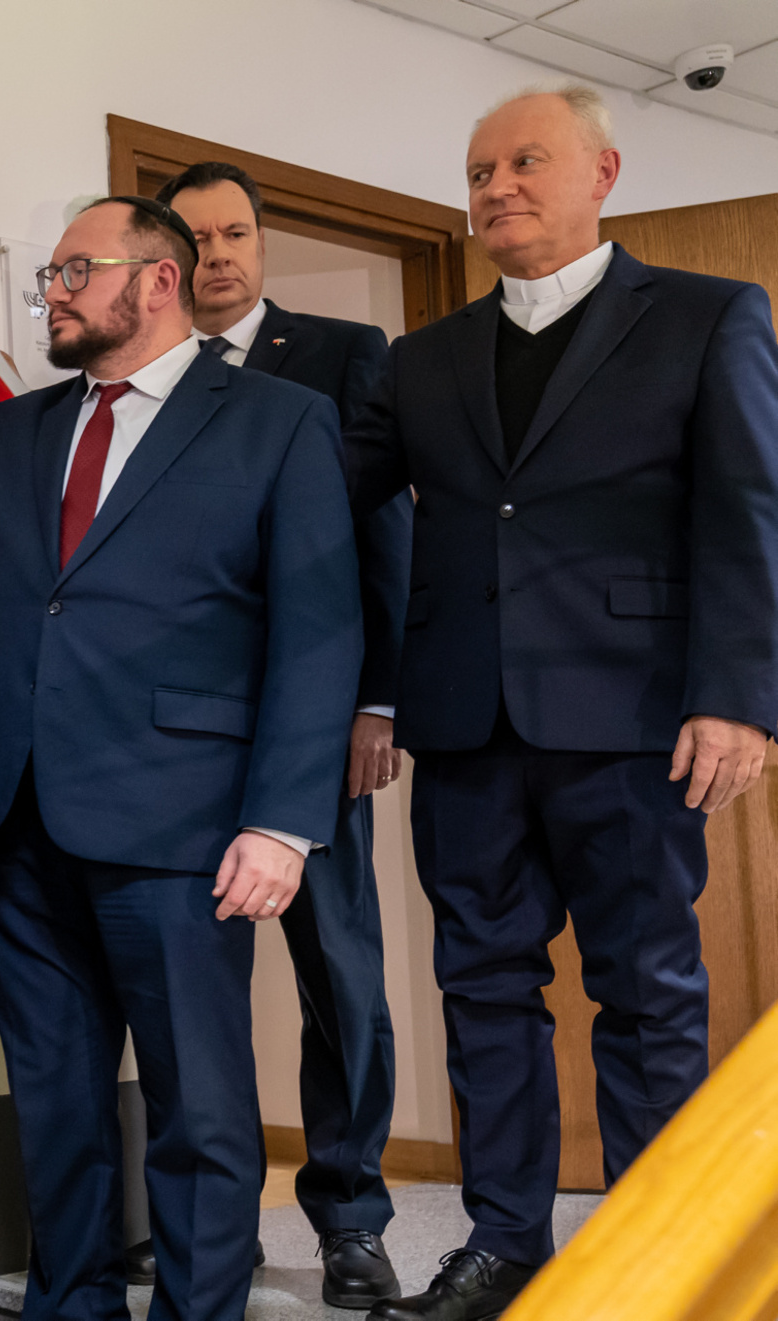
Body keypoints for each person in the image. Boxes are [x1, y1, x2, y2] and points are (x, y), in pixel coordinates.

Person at [0, 197, 363, 1321]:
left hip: (185, 825)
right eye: (52, 277)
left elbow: (319, 631)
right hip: (18, 818)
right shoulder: (17, 431)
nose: (53, 295)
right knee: (56, 1105)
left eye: (76, 271)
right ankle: (68, 1304)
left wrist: (282, 822)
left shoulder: (278, 420)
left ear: (158, 279)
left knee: (198, 1109)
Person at [346, 83, 778, 1321]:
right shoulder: (420, 360)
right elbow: (327, 501)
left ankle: (655, 1251)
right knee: (483, 989)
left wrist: (738, 697)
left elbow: (749, 509)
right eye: (480, 173)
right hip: (464, 724)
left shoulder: (707, 315)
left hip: (635, 719)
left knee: (645, 991)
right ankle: (504, 1245)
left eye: (525, 162)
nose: (496, 189)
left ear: (604, 174)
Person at [160, 160, 406, 1308]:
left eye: (235, 233)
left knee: (338, 977)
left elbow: (381, 536)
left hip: (312, 724)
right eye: (196, 238)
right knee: (190, 993)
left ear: (261, 244)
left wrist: (377, 700)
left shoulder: (345, 356)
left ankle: (352, 1216)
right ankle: (214, 1222)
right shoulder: (147, 372)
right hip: (180, 737)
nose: (217, 255)